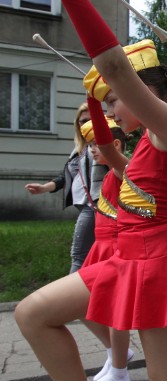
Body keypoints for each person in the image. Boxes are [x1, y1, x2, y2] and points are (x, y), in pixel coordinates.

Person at [15, 0, 167, 381]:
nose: (108, 112)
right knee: (32, 313)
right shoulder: (149, 144)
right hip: (125, 258)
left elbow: (112, 65)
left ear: (142, 91)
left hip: (160, 264)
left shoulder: (166, 126)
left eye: (112, 101)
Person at [76, 116, 135, 381]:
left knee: (113, 312)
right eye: (89, 146)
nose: (91, 151)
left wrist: (95, 102)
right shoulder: (109, 173)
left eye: (96, 145)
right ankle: (116, 355)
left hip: (115, 248)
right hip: (100, 248)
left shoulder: (124, 170)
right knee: (84, 306)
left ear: (115, 144)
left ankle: (119, 370)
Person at [25, 102, 108, 273]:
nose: (86, 125)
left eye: (91, 120)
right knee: (92, 254)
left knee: (78, 255)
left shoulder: (103, 145)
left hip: (95, 205)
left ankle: (70, 296)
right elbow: (67, 177)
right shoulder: (78, 149)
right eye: (82, 121)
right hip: (85, 205)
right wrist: (43, 188)